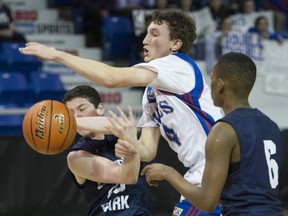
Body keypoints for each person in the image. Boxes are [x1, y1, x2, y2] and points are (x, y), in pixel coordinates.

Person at [19, 10, 223, 215]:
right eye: (146, 33)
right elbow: (147, 150)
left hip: (215, 165)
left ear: (175, 44)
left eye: (154, 34)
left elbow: (111, 78)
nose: (144, 40)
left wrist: (58, 55)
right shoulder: (151, 93)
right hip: (200, 170)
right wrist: (130, 144)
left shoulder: (176, 65)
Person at [141, 52, 283, 215]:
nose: (211, 83)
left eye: (212, 77)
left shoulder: (224, 130)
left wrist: (168, 173)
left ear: (220, 85)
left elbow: (207, 202)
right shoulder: (270, 125)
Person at [63, 85, 151, 216]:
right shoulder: (76, 156)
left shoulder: (120, 135)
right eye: (70, 114)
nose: (76, 117)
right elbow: (128, 177)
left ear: (100, 109)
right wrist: (132, 151)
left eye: (81, 109)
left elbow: (146, 153)